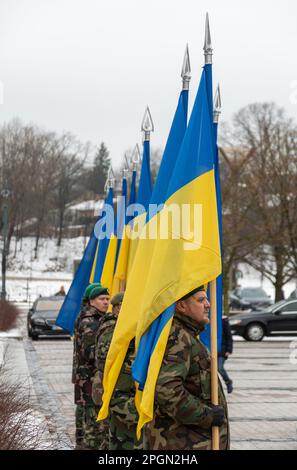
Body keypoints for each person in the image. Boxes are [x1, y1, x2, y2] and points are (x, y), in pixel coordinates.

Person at [145, 286, 230, 450]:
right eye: (200, 300)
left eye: (206, 299)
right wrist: (207, 416)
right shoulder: (178, 337)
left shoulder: (187, 334)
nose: (208, 304)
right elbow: (166, 390)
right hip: (184, 443)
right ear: (182, 306)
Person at [92, 292, 142, 450]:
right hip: (109, 386)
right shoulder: (112, 329)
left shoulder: (114, 326)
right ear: (119, 308)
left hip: (108, 386)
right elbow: (105, 359)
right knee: (109, 436)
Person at [72, 282, 109, 450]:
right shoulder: (90, 321)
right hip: (89, 377)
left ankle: (81, 443)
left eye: (108, 299)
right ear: (91, 301)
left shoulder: (93, 317)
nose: (106, 302)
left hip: (85, 376)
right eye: (102, 299)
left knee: (85, 414)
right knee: (92, 421)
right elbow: (90, 352)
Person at [218, 316, 233, 394]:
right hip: (211, 350)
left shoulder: (223, 321)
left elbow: (229, 336)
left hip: (222, 350)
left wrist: (229, 350)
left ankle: (228, 382)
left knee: (220, 368)